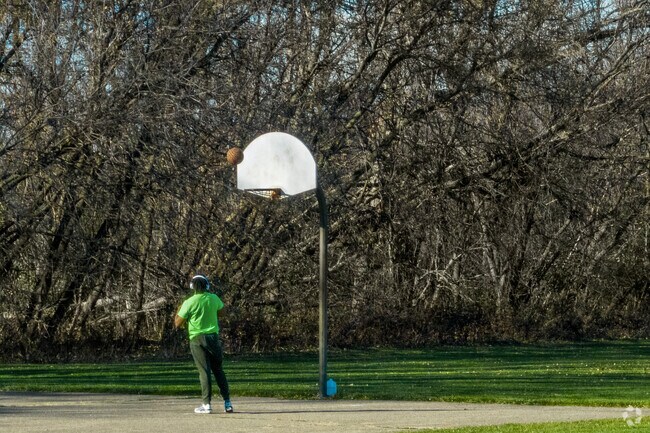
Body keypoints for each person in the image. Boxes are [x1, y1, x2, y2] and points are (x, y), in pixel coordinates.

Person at [174, 274, 233, 414]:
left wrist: (179, 311)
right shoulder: (213, 298)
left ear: (192, 287)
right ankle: (227, 403)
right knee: (218, 370)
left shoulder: (189, 302)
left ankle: (206, 405)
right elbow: (223, 313)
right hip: (213, 337)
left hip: (197, 339)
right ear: (207, 285)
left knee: (204, 372)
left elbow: (177, 323)